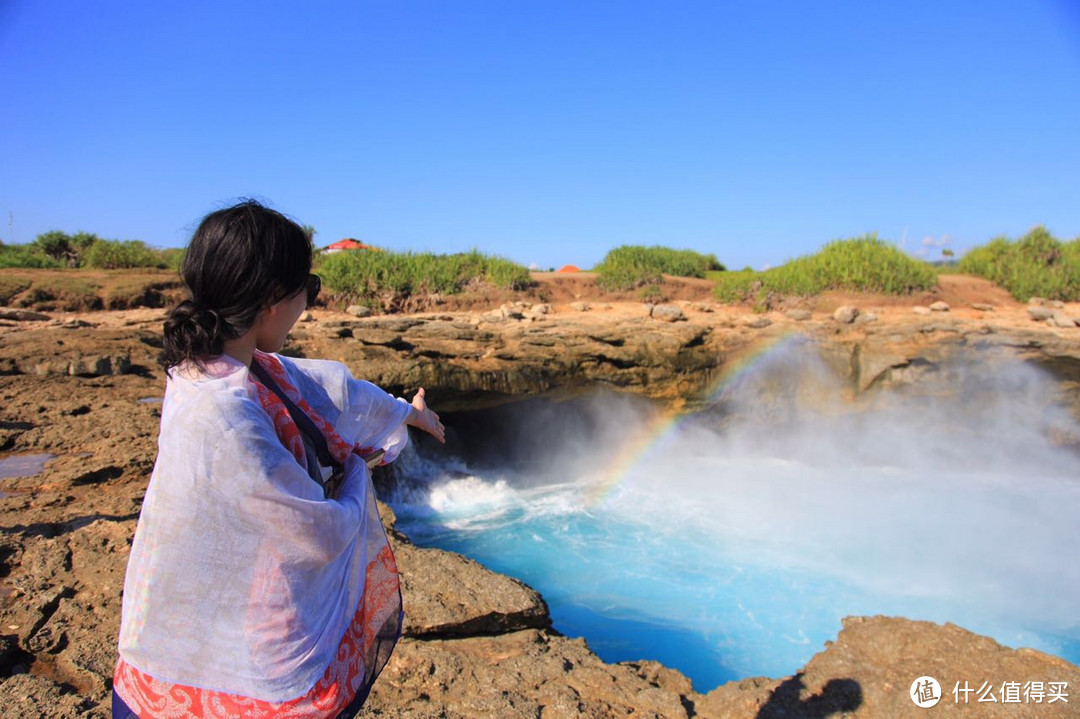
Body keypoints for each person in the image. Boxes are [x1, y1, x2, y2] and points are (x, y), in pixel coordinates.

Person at [112, 200, 444, 718]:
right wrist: (357, 469)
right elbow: (319, 531)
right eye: (307, 289)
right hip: (216, 681)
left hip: (178, 631)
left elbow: (338, 391)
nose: (308, 302)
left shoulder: (207, 364)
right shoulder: (225, 419)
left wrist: (406, 414)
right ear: (272, 298)